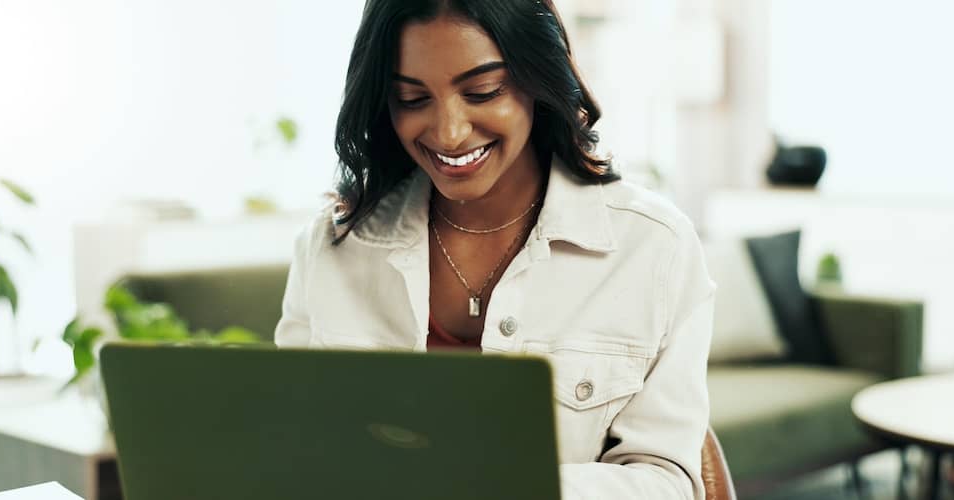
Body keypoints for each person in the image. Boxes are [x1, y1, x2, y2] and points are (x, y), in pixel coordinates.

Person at [274, 0, 715, 498]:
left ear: (538, 78)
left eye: (483, 91)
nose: (449, 132)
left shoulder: (654, 248)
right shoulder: (333, 246)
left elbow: (666, 480)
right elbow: (296, 446)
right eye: (412, 99)